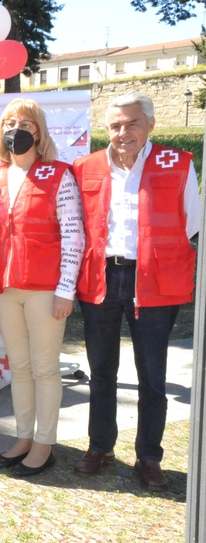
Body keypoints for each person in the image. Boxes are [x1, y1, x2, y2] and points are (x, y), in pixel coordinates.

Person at [72, 91, 201, 491]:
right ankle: (100, 447)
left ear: (150, 126)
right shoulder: (85, 167)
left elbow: (192, 226)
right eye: (115, 125)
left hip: (155, 282)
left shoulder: (178, 164)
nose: (122, 132)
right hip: (101, 278)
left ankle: (149, 456)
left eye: (131, 123)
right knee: (101, 372)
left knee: (152, 376)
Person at [0, 99, 84, 476]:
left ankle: (44, 443)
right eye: (10, 122)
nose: (17, 127)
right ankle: (23, 437)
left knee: (44, 368)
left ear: (38, 132)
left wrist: (66, 290)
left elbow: (74, 235)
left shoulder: (59, 174)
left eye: (26, 122)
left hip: (45, 289)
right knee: (19, 368)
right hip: (6, 289)